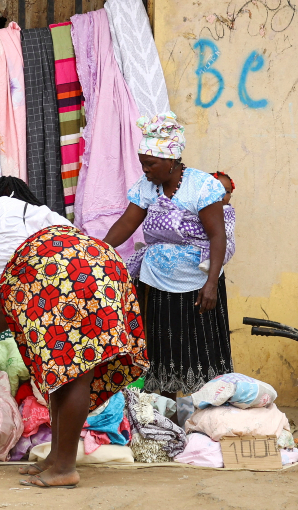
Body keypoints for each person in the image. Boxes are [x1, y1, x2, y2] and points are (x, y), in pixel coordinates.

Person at [0, 177, 147, 488]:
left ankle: (65, 468)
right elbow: (8, 315)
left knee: (72, 373)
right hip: (101, 267)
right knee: (64, 373)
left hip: (60, 275)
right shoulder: (46, 216)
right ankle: (56, 458)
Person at [103, 112, 233, 397]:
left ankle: (207, 415)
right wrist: (98, 250)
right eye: (143, 164)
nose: (145, 170)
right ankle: (168, 419)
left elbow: (217, 236)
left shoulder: (200, 186)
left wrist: (211, 283)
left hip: (199, 281)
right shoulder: (147, 187)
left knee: (202, 349)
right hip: (157, 281)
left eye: (150, 164)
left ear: (171, 160)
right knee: (163, 351)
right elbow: (127, 223)